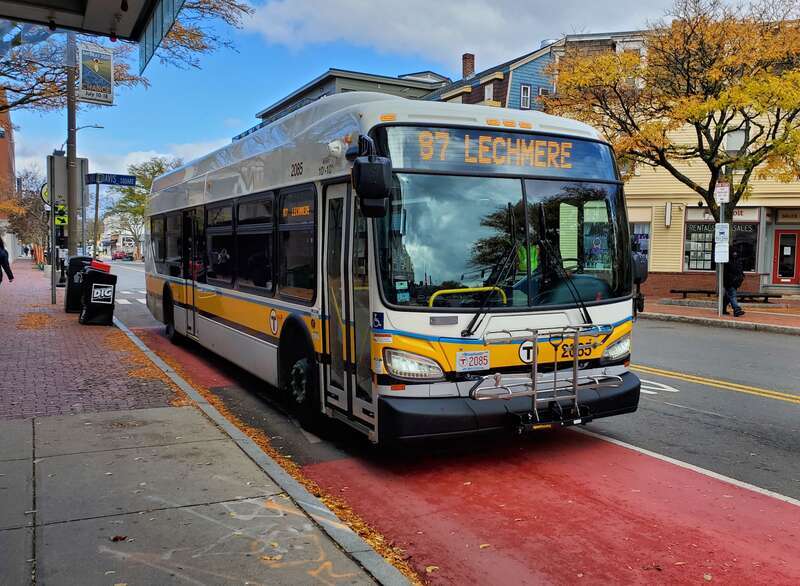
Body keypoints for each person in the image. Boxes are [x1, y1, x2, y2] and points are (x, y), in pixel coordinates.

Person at [722, 249, 745, 317]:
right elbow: (726, 273)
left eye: (735, 252)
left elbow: (740, 271)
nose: (735, 254)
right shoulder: (727, 261)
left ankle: (723, 309)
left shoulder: (738, 261)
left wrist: (741, 277)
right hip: (729, 282)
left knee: (727, 297)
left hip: (735, 282)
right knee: (732, 295)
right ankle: (736, 309)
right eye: (733, 252)